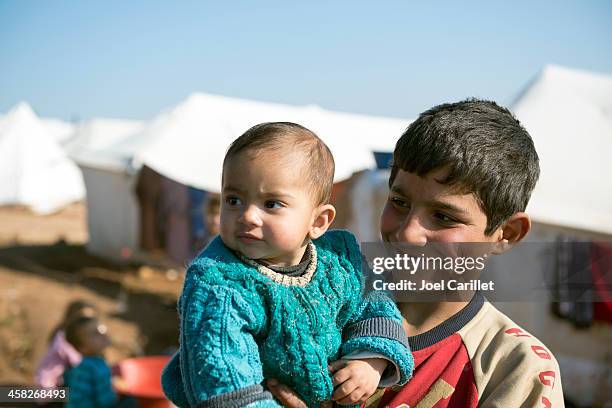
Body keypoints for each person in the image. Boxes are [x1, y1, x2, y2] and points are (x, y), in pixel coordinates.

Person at [267, 99, 565, 407]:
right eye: (399, 202)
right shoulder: (318, 306)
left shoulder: (515, 367)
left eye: (444, 216)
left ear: (507, 234)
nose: (408, 233)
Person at [161, 122, 414, 407]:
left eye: (271, 204)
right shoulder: (219, 283)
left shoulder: (340, 260)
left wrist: (370, 361)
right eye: (233, 200)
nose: (248, 216)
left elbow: (375, 307)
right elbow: (224, 384)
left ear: (318, 222)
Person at [62, 316, 136, 408]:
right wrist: (119, 394)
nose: (103, 334)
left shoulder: (84, 365)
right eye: (95, 334)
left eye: (102, 329)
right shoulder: (97, 367)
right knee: (131, 401)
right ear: (83, 347)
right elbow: (105, 402)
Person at [35, 300, 97, 389]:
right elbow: (76, 361)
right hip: (49, 386)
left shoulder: (81, 339)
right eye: (82, 319)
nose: (86, 323)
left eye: (90, 320)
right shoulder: (62, 336)